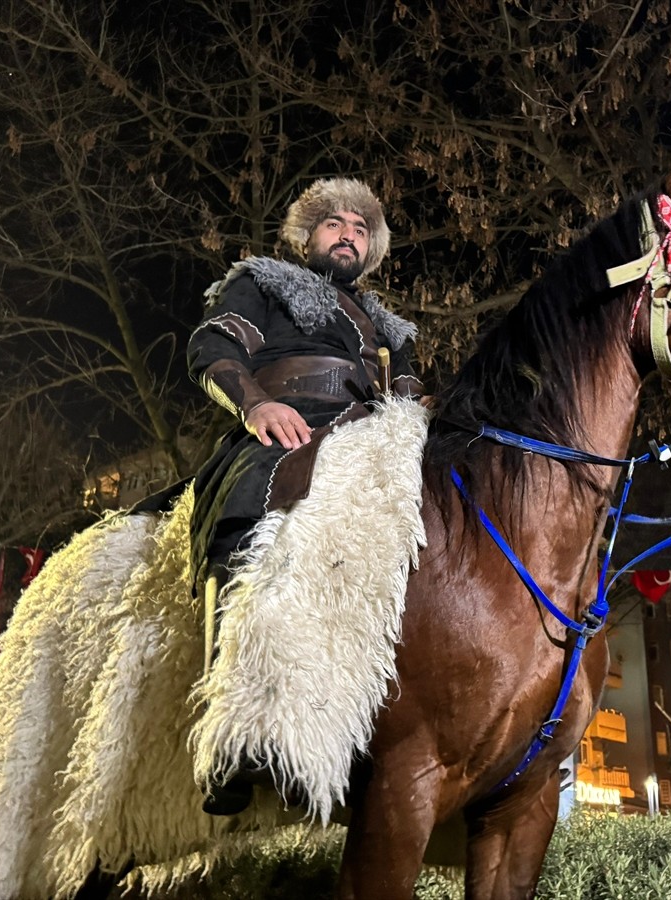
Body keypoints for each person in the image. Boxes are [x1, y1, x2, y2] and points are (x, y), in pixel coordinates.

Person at [186, 178, 423, 813]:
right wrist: (257, 404)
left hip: (373, 435)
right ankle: (231, 729)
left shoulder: (387, 329)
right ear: (307, 235)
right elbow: (212, 347)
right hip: (286, 424)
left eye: (360, 228)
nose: (348, 234)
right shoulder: (262, 283)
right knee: (247, 505)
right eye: (334, 223)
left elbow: (409, 400)